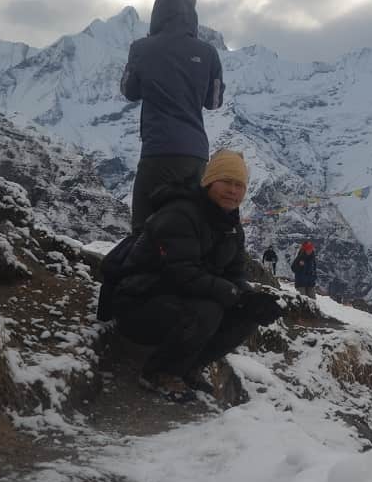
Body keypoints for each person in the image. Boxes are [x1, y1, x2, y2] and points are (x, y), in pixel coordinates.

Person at [111, 150, 279, 401]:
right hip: (138, 304)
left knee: (247, 315)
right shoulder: (180, 214)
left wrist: (249, 297)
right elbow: (181, 273)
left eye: (239, 185)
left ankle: (187, 368)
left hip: (178, 302)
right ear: (210, 181)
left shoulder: (230, 225)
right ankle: (159, 372)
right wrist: (233, 294)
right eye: (227, 182)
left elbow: (234, 272)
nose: (233, 190)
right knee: (208, 310)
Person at [121, 0, 226, 235]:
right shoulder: (208, 52)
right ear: (192, 14)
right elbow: (214, 102)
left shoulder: (141, 49)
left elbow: (129, 91)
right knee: (189, 227)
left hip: (156, 151)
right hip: (195, 155)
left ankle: (142, 272)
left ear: (158, 11)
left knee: (144, 228)